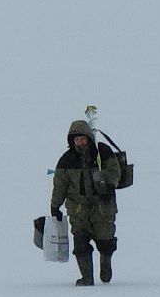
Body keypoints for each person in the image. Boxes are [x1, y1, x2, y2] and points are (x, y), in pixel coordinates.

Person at [50, 119, 122, 286]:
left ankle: (106, 267)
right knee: (80, 243)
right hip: (78, 209)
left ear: (89, 137)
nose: (80, 142)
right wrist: (55, 206)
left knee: (105, 241)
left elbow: (115, 172)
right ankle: (87, 278)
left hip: (103, 208)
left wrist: (107, 186)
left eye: (82, 139)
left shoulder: (102, 152)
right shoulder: (66, 160)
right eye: (76, 140)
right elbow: (60, 185)